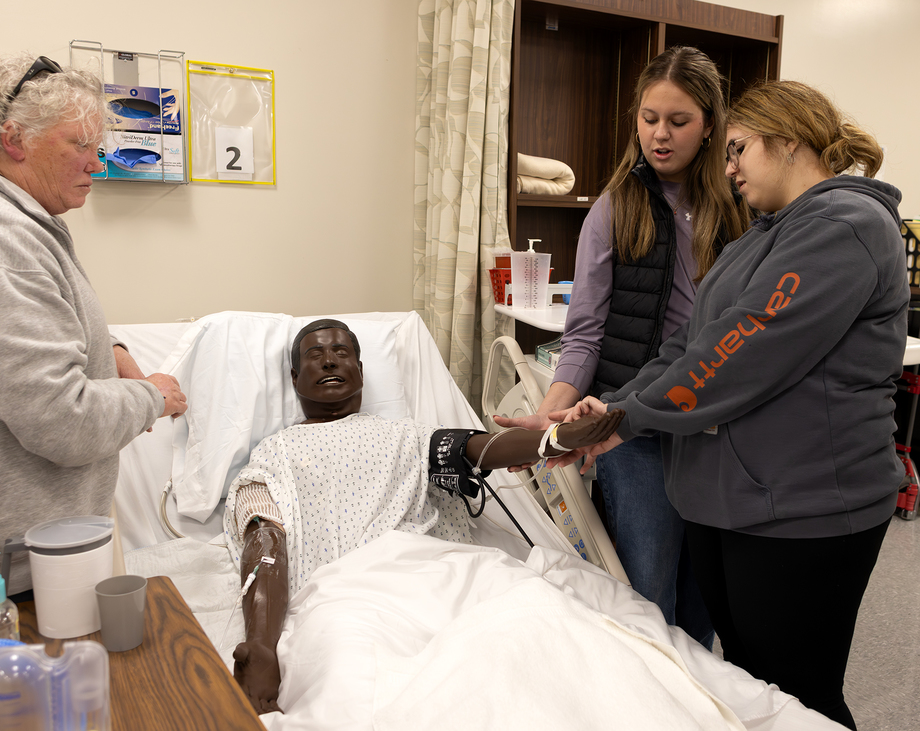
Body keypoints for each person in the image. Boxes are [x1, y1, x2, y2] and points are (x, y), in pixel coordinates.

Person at [552, 80, 905, 729]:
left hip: (807, 510)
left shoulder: (847, 228)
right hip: (734, 503)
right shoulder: (758, 240)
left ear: (789, 139)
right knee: (748, 683)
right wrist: (613, 410)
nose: (730, 165)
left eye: (739, 148)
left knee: (799, 697)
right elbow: (690, 344)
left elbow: (733, 358)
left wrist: (631, 417)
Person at [0, 54, 188, 629]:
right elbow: (62, 419)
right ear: (14, 139)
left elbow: (28, 331)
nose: (97, 162)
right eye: (80, 144)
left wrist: (111, 352)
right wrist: (154, 396)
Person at [224, 319, 624, 713]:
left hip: (445, 576)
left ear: (361, 372)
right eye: (316, 355)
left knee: (542, 633)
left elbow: (478, 449)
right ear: (295, 378)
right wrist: (262, 643)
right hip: (350, 594)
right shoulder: (275, 453)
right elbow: (263, 538)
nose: (329, 361)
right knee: (363, 681)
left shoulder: (408, 435)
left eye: (341, 352)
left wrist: (554, 439)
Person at [496, 46, 749, 649]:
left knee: (705, 602)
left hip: (713, 427)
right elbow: (584, 333)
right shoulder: (615, 209)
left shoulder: (740, 209)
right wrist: (552, 410)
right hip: (630, 428)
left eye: (679, 121)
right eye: (648, 118)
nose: (660, 135)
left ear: (710, 123)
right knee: (648, 597)